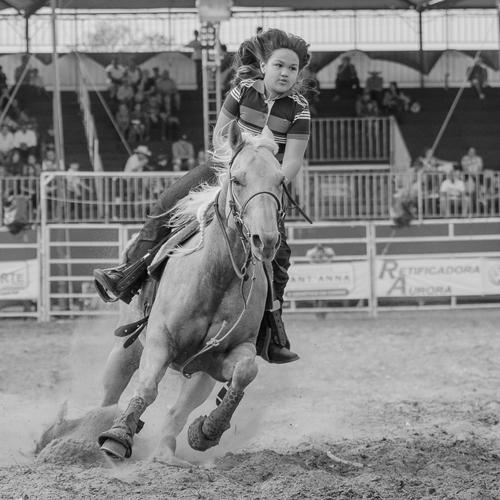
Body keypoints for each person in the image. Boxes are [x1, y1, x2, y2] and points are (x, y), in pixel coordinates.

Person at [94, 28, 312, 364]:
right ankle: (127, 273)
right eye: (279, 65)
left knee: (279, 254)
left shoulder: (299, 109)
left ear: (298, 74)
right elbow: (220, 137)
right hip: (225, 167)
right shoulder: (242, 91)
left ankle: (272, 331)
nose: (285, 73)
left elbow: (293, 161)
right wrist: (239, 165)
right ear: (264, 66)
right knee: (166, 204)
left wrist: (269, 178)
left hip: (264, 183)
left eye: (292, 68)